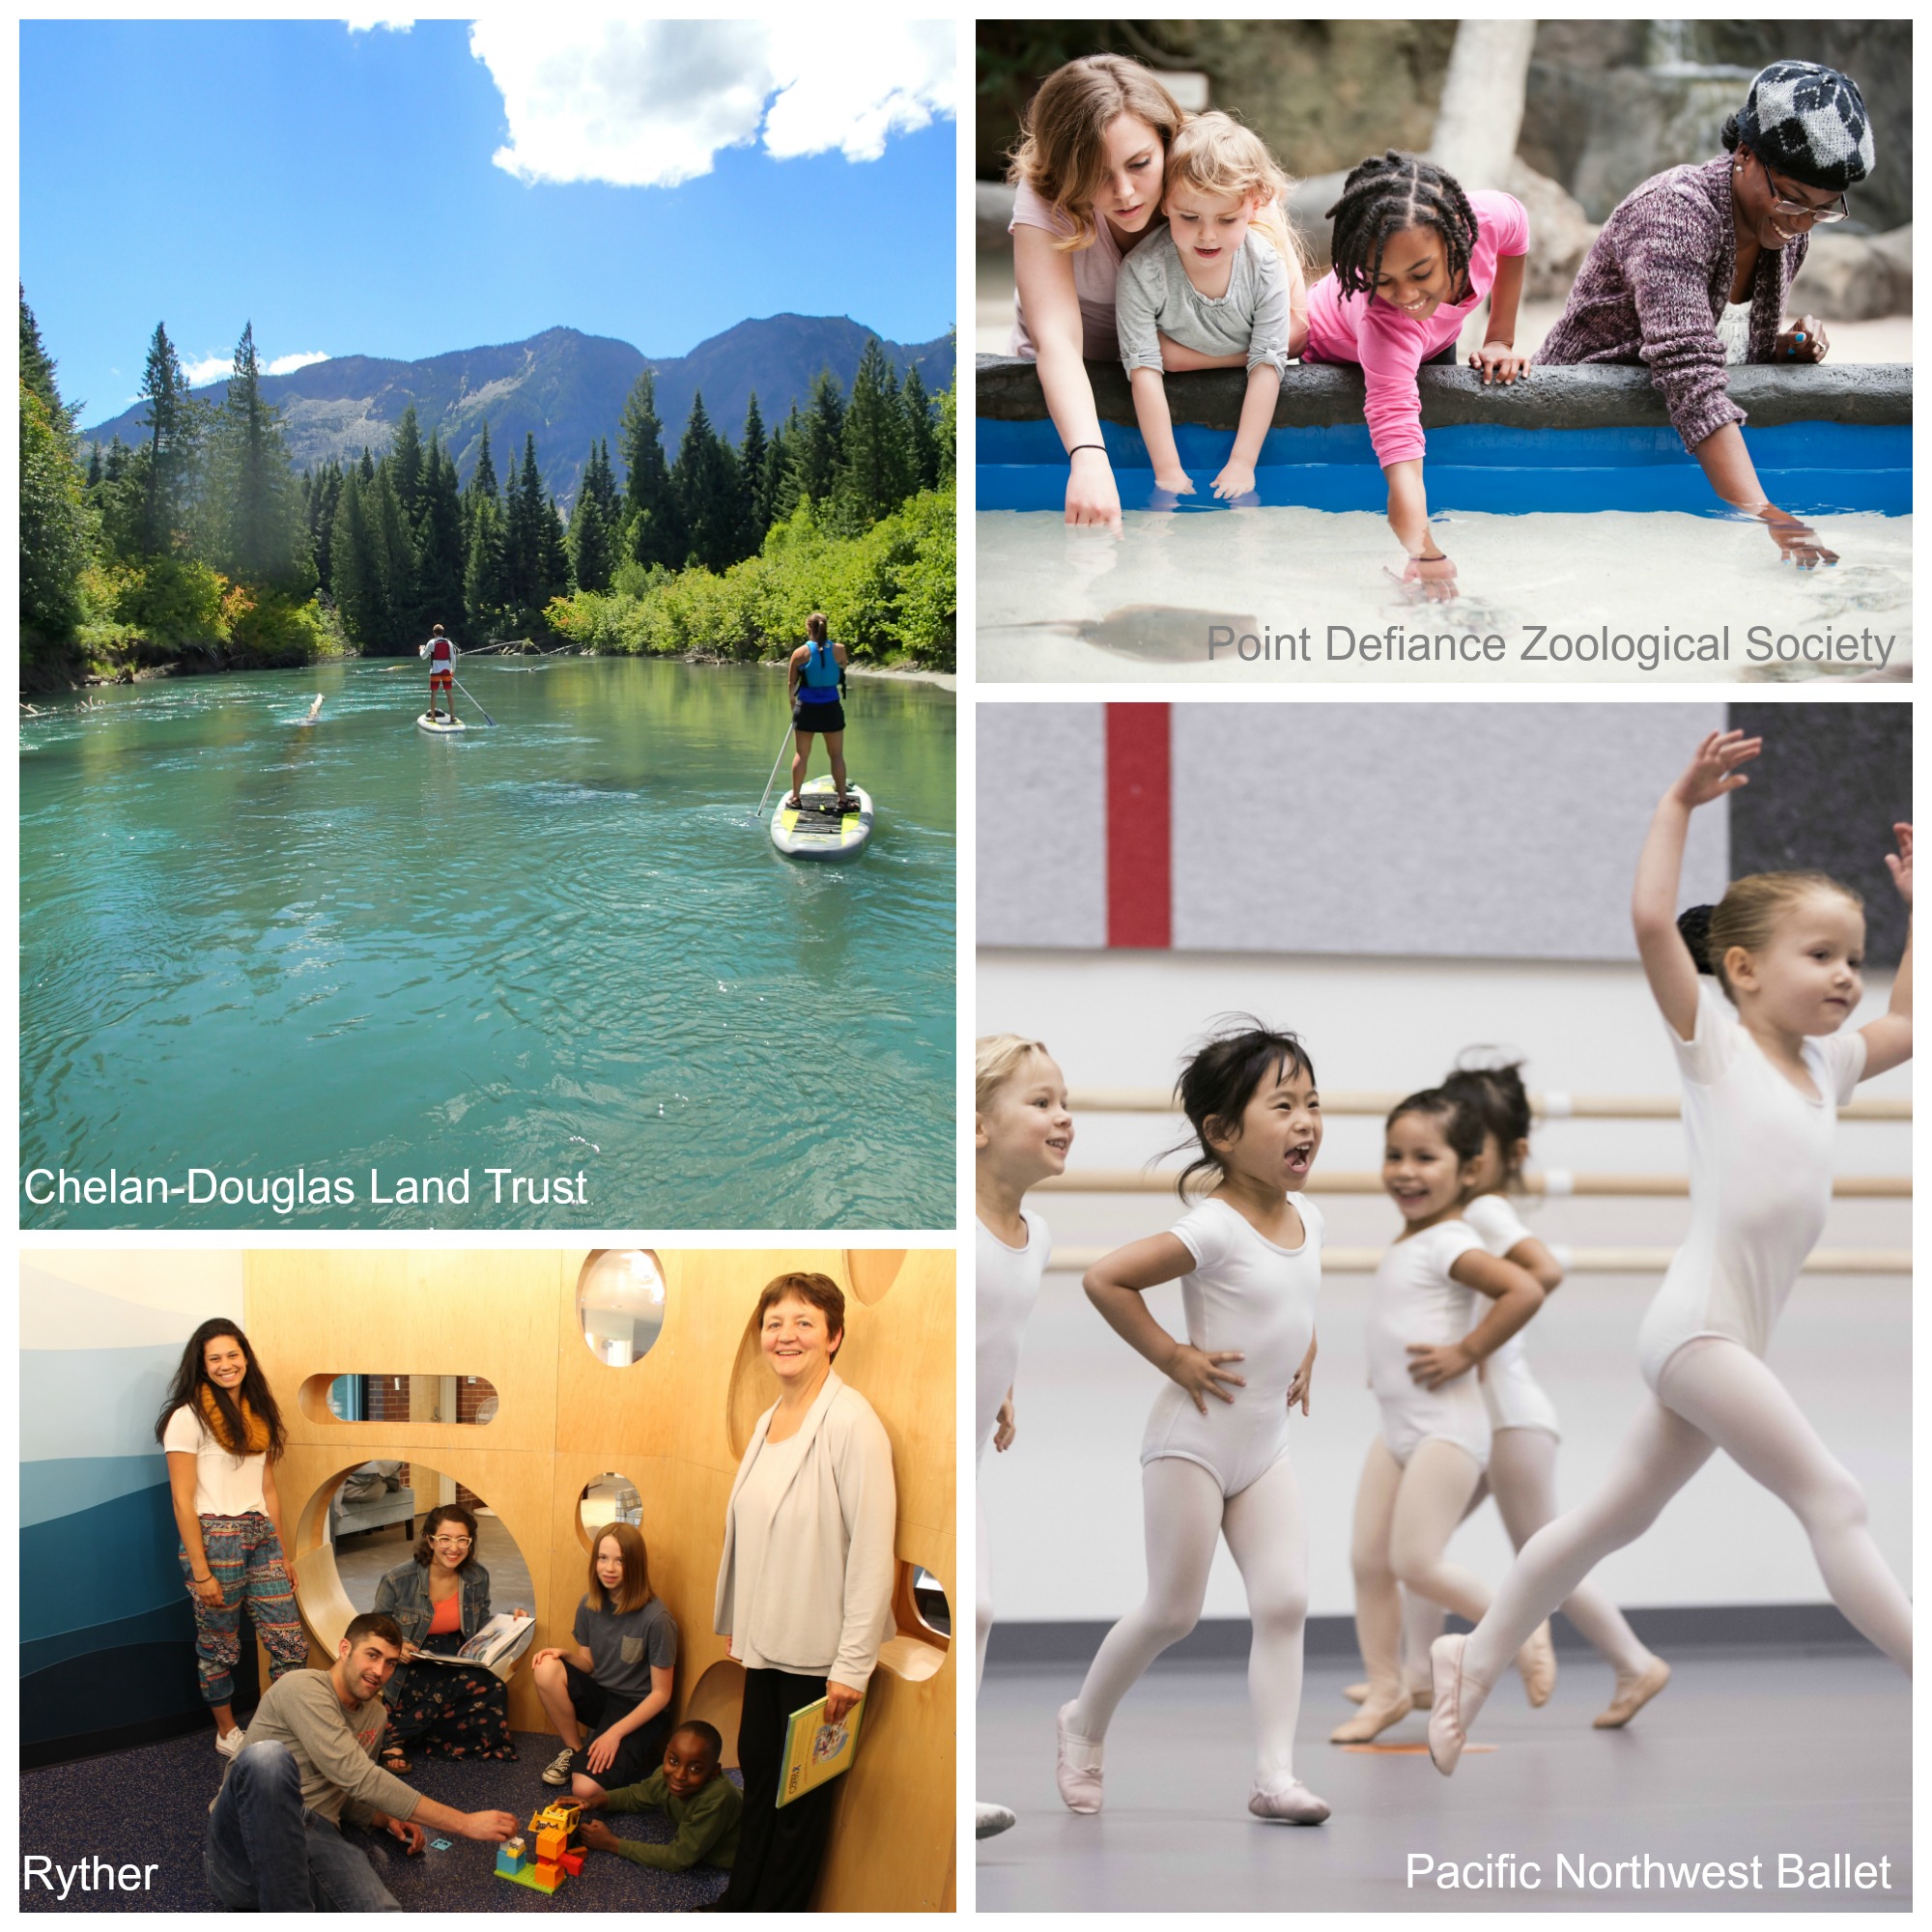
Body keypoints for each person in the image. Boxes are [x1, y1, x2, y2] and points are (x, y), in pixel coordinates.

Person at [1431, 730, 1913, 1776]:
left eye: (1850, 953)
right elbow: (1652, 917)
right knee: (1834, 1497)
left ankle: (1470, 1655)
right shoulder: (1713, 1041)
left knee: (1611, 1516)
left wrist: (1919, 905)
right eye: (1818, 955)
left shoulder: (1827, 1065)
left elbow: (1909, 1018)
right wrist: (1675, 803)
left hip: (1720, 1335)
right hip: (1697, 1330)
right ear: (1740, 969)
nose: (1844, 976)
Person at [1057, 1022, 1329, 1825]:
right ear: (1221, 1132)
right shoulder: (1213, 1225)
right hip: (1194, 1443)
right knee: (1174, 1611)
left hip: (1265, 1447)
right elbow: (1106, 1280)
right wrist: (1175, 1356)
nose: (1306, 1120)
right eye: (1282, 1105)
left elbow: (1291, 1295)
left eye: (1313, 1102)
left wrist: (1306, 1345)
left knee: (1285, 1602)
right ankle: (1082, 1723)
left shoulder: (1312, 1218)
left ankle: (1275, 1777)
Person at [1535, 61, 1871, 568]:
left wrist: (1778, 348)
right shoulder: (1673, 214)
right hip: (1568, 442)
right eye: (1791, 199)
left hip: (1660, 448)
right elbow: (1690, 375)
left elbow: (1711, 344)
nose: (1801, 223)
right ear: (1743, 154)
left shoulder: (1783, 236)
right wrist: (1769, 515)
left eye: (1821, 210)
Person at [1334, 1087, 1552, 1745]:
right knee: (1368, 1562)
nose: (1405, 1170)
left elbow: (1525, 1287)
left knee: (1416, 1562)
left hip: (1447, 1429)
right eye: (1394, 1155)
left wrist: (1468, 1350)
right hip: (1397, 1427)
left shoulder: (1449, 1241)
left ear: (1468, 1170)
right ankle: (1385, 1690)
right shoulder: (1413, 1239)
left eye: (1425, 1157)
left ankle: (1525, 1629)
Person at [713, 1273, 896, 1910]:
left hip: (822, 1664)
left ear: (834, 1337)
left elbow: (873, 1552)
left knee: (799, 1805)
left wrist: (853, 1667)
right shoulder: (769, 1419)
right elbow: (754, 1532)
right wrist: (743, 1619)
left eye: (803, 1323)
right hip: (768, 1647)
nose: (785, 1335)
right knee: (759, 1779)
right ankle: (742, 1902)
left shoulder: (852, 1424)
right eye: (774, 1323)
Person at [1300, 152, 1529, 602]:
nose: (1404, 294)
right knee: (1393, 461)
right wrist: (1423, 554)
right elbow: (1401, 456)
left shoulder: (1486, 219)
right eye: (1382, 278)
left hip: (1429, 339)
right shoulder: (1384, 323)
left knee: (1439, 445)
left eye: (1421, 272)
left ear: (1457, 239)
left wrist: (1499, 338)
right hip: (1337, 352)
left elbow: (1517, 232)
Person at [203, 1612, 517, 1911]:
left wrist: (384, 1817)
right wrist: (464, 1822)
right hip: (243, 1846)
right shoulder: (302, 1686)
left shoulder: (375, 1715)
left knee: (381, 1911)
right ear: (344, 1649)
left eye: (390, 1662)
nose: (379, 1671)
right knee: (266, 1758)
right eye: (372, 1655)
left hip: (314, 1834)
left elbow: (349, 1792)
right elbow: (357, 1776)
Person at [1007, 53, 1188, 527]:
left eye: (1141, 164)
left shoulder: (1208, 166)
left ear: (1168, 141)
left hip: (1173, 373)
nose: (1125, 192)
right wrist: (1087, 455)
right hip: (1067, 392)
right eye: (1097, 174)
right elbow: (1058, 339)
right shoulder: (1043, 195)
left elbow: (1288, 326)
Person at [975, 1033, 1074, 1840]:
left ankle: (956, 1783)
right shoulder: (951, 1219)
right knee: (969, 1606)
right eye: (1041, 1103)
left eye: (1064, 1102)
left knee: (974, 1612)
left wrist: (1005, 1388)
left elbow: (998, 1322)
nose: (1064, 1117)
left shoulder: (1035, 1236)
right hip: (934, 1448)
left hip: (971, 1448)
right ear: (978, 1125)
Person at [1117, 112, 1308, 503]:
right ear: (1166, 202)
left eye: (1226, 219)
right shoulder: (1141, 272)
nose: (1207, 234)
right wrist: (1167, 470)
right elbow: (1144, 369)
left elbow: (1269, 362)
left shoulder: (1265, 266)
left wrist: (1242, 462)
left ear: (1253, 206)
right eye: (1190, 217)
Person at [157, 1321, 308, 1757]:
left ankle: (284, 1728)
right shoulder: (186, 1418)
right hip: (214, 1538)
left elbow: (269, 1491)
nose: (227, 1365)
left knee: (289, 1640)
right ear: (202, 1367)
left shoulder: (258, 1414)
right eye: (215, 1358)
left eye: (232, 1354)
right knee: (219, 1643)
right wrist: (201, 1571)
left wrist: (283, 1552)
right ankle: (227, 1733)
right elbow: (183, 1502)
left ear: (246, 1356)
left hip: (261, 1534)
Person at [371, 1502, 525, 1773]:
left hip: (455, 1654)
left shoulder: (477, 1576)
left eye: (462, 1540)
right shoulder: (398, 1579)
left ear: (470, 1542)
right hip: (413, 1656)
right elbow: (375, 1627)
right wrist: (397, 1646)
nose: (453, 1548)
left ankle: (400, 1733)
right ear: (430, 1540)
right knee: (432, 1684)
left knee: (494, 1688)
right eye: (445, 1539)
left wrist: (509, 1619)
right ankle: (398, 1736)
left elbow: (479, 1625)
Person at [530, 1521, 676, 1802]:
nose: (609, 1568)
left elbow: (662, 1694)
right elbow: (588, 1665)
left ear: (635, 1565)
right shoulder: (589, 1604)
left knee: (584, 1789)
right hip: (603, 1697)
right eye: (603, 1558)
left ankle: (617, 1751)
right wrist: (564, 1655)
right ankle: (576, 1751)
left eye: (620, 1560)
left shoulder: (656, 1619)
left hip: (640, 1707)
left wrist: (615, 1734)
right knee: (546, 1667)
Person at [576, 1720, 743, 1873]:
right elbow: (635, 1795)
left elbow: (678, 1858)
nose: (679, 1775)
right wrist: (594, 1801)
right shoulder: (665, 1775)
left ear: (714, 1772)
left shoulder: (715, 1800)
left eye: (695, 1769)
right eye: (674, 1761)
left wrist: (611, 1843)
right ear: (666, 1753)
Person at [783, 613, 853, 810]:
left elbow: (791, 685)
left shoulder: (799, 654)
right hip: (831, 708)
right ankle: (843, 800)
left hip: (806, 708)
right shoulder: (839, 650)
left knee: (802, 754)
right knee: (836, 755)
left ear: (808, 629)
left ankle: (795, 798)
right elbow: (843, 667)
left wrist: (793, 708)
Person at [420, 622, 458, 722]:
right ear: (443, 632)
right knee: (449, 693)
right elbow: (453, 659)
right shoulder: (449, 643)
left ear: (434, 633)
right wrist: (452, 670)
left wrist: (421, 649)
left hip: (435, 671)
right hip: (446, 671)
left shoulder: (431, 642)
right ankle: (453, 716)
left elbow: (423, 657)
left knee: (434, 693)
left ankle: (432, 717)